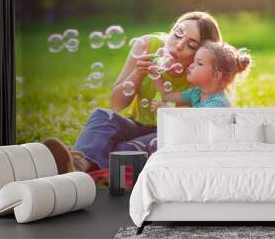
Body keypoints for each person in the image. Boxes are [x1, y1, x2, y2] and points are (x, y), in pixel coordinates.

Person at [42, 11, 222, 174]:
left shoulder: (203, 71)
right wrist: (138, 72)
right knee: (103, 117)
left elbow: (200, 124)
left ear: (202, 53)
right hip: (134, 125)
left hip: (167, 133)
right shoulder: (146, 45)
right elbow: (117, 104)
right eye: (177, 34)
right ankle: (79, 165)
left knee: (127, 149)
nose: (179, 45)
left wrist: (171, 110)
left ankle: (96, 168)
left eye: (191, 45)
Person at [151, 41, 251, 110]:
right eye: (194, 61)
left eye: (199, 63)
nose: (191, 65)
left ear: (216, 76)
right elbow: (167, 96)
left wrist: (166, 110)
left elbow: (193, 120)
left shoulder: (218, 103)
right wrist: (156, 74)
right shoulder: (196, 93)